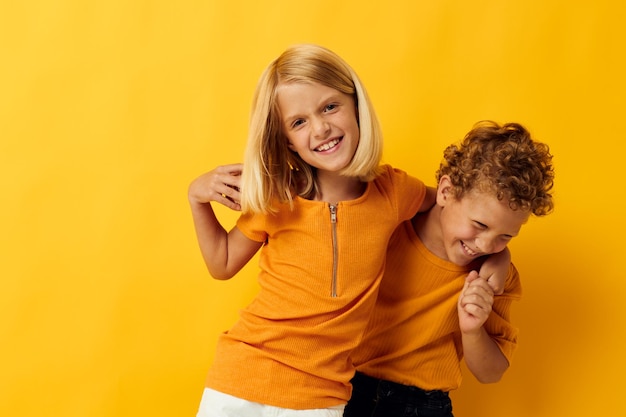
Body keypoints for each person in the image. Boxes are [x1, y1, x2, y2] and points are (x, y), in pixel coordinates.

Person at [188, 44, 440, 417]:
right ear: (287, 140)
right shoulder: (279, 197)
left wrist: (494, 250)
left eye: (329, 107)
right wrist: (197, 198)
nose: (320, 128)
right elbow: (222, 263)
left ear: (356, 105)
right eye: (299, 122)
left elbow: (448, 207)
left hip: (320, 395)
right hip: (240, 379)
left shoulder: (394, 192)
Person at [343, 121, 555, 417]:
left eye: (505, 236)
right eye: (480, 225)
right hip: (345, 387)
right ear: (445, 191)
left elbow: (491, 373)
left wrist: (473, 329)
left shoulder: (493, 278)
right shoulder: (389, 225)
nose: (485, 244)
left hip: (422, 406)